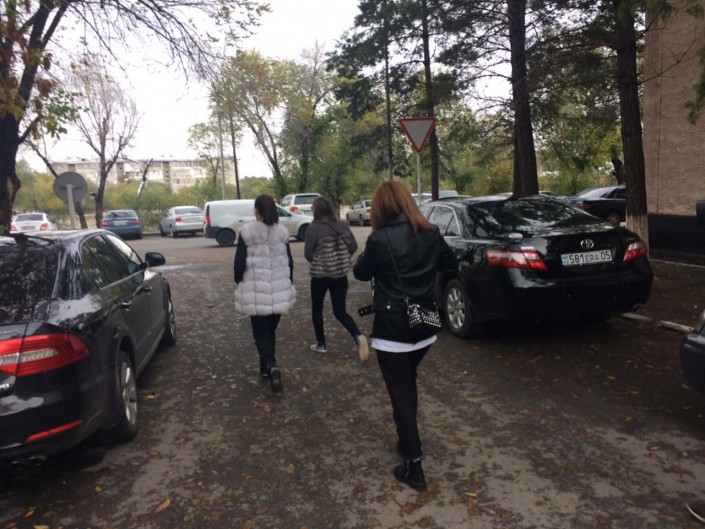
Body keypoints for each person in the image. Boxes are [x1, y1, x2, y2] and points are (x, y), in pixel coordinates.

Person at [353, 180, 458, 492]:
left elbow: (360, 273)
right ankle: (405, 439)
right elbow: (450, 264)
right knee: (406, 385)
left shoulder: (379, 239)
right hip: (423, 327)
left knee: (401, 395)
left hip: (392, 331)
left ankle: (414, 466)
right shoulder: (431, 232)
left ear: (381, 207)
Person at [234, 195, 296, 394]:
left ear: (256, 211)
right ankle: (266, 368)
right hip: (279, 290)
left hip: (256, 291)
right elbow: (290, 262)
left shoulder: (247, 232)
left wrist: (240, 282)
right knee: (269, 331)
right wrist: (287, 283)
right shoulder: (282, 232)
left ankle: (270, 365)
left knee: (261, 334)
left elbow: (239, 264)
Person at [304, 197, 369, 361]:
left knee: (317, 309)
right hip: (340, 275)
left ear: (315, 211)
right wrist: (340, 259)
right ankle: (357, 336)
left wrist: (321, 261)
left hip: (320, 276)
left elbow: (308, 253)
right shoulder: (342, 225)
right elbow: (353, 246)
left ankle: (321, 343)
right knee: (340, 312)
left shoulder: (313, 228)